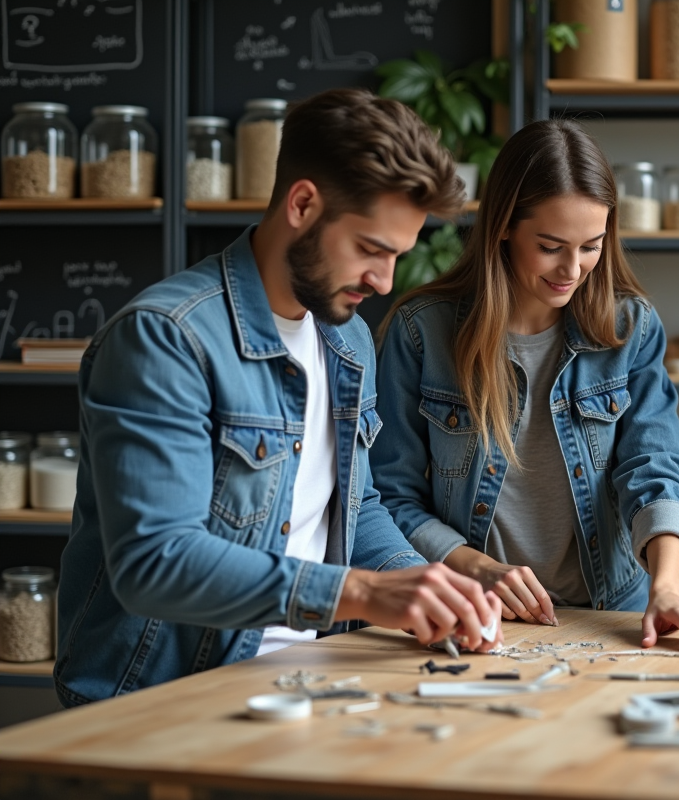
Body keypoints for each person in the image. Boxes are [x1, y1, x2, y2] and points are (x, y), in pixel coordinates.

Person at [55, 89, 502, 708]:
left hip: (313, 679)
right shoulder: (165, 338)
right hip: (164, 697)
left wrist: (427, 588)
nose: (385, 281)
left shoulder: (347, 338)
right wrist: (366, 593)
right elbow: (154, 562)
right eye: (371, 249)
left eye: (397, 255)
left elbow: (355, 503)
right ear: (302, 204)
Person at [371, 119, 679, 653]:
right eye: (550, 246)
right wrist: (480, 569)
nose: (573, 269)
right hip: (475, 616)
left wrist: (668, 588)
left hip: (610, 614)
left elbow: (653, 469)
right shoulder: (421, 332)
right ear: (503, 227)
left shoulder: (630, 329)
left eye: (591, 246)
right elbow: (388, 495)